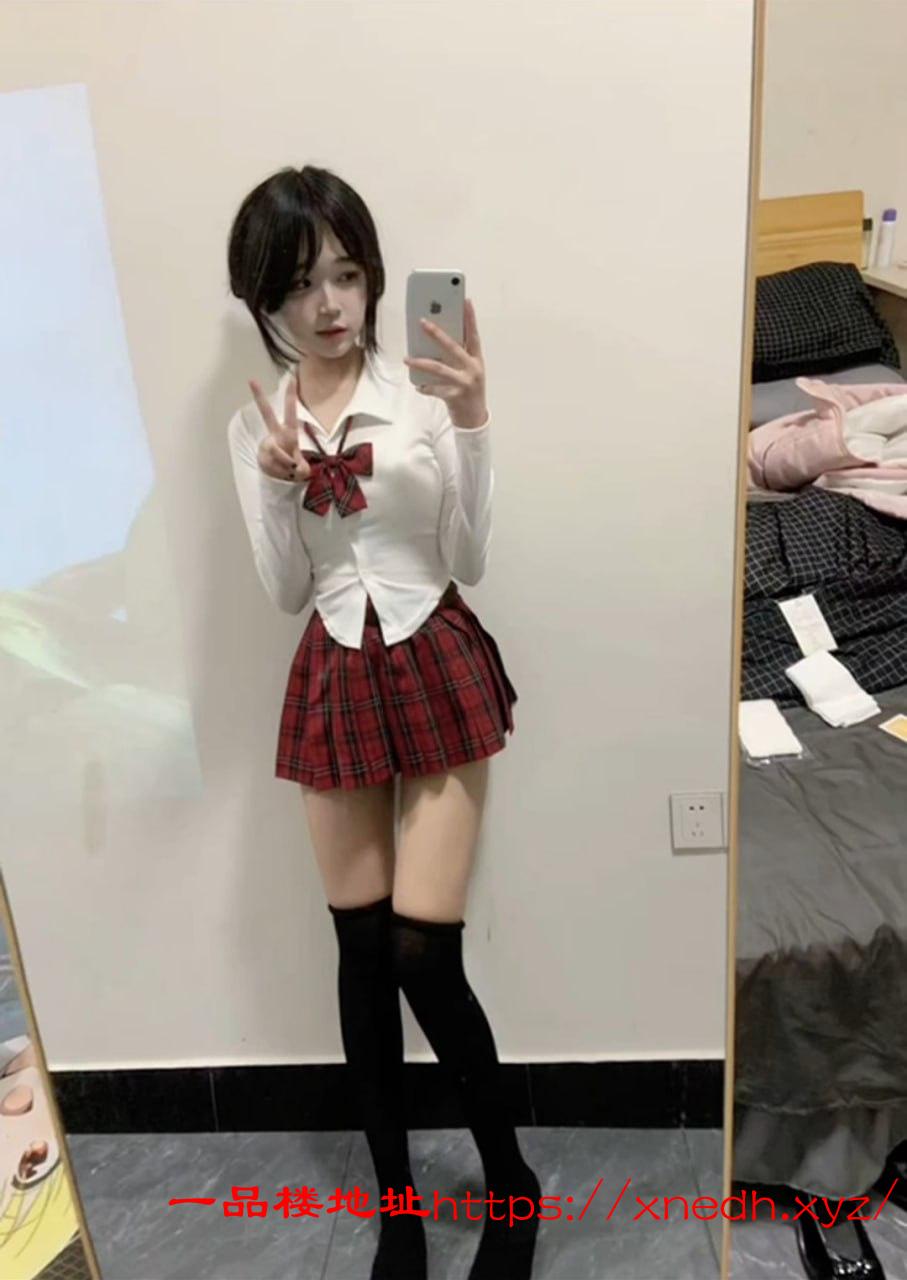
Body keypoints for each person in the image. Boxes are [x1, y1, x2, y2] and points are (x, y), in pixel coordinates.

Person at [226, 165, 540, 1280]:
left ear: (372, 278)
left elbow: (470, 558)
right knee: (358, 954)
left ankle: (512, 1188)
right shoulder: (252, 425)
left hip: (433, 654)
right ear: (261, 299)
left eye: (347, 274)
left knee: (421, 952)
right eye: (298, 284)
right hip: (332, 668)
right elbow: (283, 590)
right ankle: (398, 1208)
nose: (328, 304)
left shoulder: (422, 396)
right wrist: (276, 483)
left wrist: (475, 419)